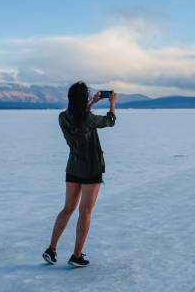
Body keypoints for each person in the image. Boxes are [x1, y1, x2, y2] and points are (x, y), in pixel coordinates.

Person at [43, 81, 117, 267]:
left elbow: (80, 116)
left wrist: (92, 103)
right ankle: (76, 255)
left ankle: (51, 249)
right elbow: (110, 121)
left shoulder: (62, 117)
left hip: (73, 168)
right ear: (83, 99)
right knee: (85, 212)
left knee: (68, 208)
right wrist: (112, 103)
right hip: (91, 168)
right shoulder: (87, 119)